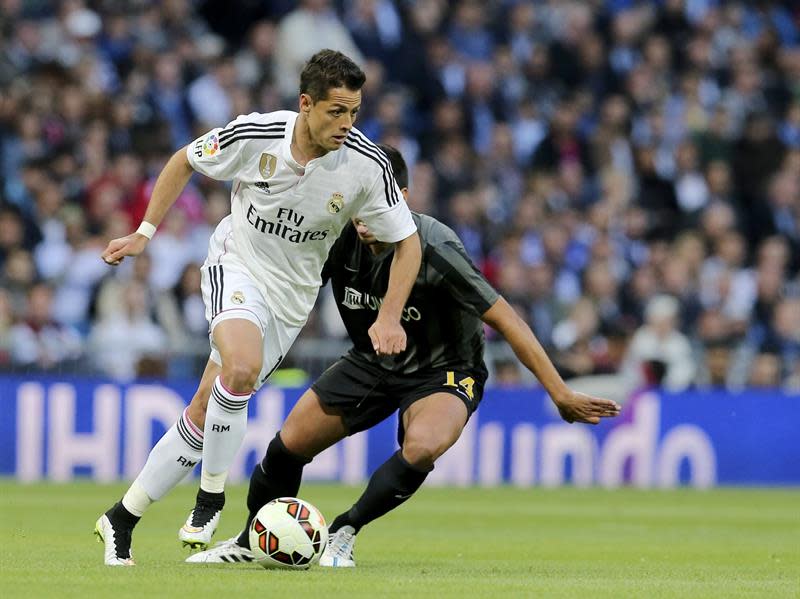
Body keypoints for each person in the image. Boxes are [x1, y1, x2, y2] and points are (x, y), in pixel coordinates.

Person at [186, 145, 621, 567]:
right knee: (287, 445)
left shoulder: (437, 247)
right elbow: (284, 290)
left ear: (402, 199)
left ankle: (345, 531)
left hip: (444, 368)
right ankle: (251, 539)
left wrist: (559, 392)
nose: (365, 216)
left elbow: (508, 320)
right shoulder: (336, 237)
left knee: (423, 446)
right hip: (372, 361)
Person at [94, 50, 422, 566]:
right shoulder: (256, 135)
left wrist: (388, 315)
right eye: (336, 110)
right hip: (236, 264)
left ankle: (120, 519)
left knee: (208, 407)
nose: (346, 123)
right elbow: (184, 159)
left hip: (291, 300)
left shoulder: (366, 164)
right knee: (241, 369)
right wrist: (143, 233)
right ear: (305, 103)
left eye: (354, 111)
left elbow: (409, 242)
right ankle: (211, 498)